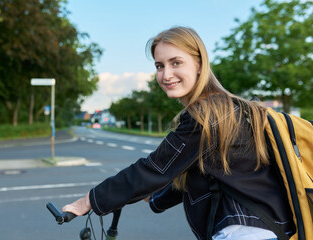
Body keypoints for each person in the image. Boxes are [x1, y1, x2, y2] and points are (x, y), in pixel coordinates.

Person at [63, 26, 294, 239]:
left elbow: (154, 168)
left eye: (176, 63)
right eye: (159, 66)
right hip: (268, 229)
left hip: (243, 233)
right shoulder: (227, 108)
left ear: (199, 64)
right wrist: (152, 198)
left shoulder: (207, 116)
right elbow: (197, 175)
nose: (166, 75)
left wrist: (89, 200)